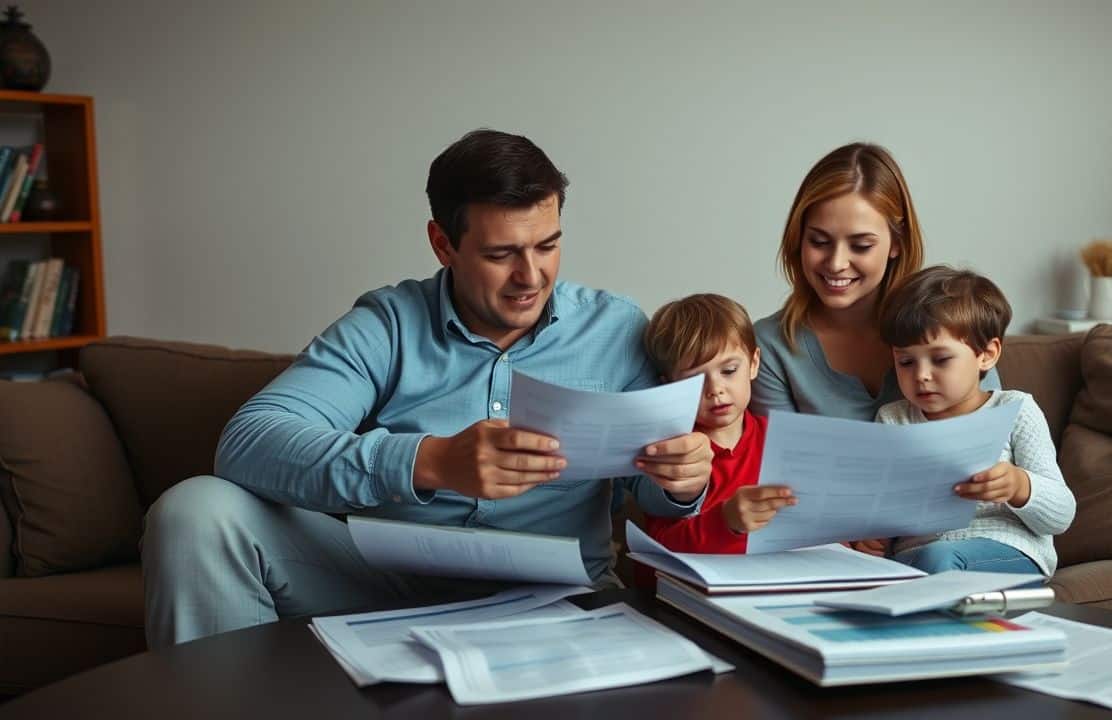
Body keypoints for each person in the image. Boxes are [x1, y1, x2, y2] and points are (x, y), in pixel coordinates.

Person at [141, 129, 713, 646]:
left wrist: (684, 480)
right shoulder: (387, 324)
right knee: (195, 510)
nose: (531, 276)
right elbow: (248, 442)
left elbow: (658, 496)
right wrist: (430, 462)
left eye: (547, 245)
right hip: (388, 585)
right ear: (443, 245)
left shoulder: (616, 329)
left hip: (559, 594)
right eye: (500, 254)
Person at [750, 142, 999, 422]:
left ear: (897, 242)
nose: (836, 263)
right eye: (819, 242)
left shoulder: (954, 321)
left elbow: (991, 435)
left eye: (861, 245)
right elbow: (778, 460)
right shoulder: (771, 347)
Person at [872, 266, 1076, 575]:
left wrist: (1019, 486)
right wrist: (871, 534)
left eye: (940, 359)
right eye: (906, 361)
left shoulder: (1016, 409)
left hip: (1005, 549)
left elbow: (1061, 516)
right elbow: (876, 507)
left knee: (938, 561)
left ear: (987, 354)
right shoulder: (893, 420)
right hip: (915, 557)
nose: (922, 375)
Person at [640, 294, 796, 556]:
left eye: (729, 371)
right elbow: (654, 557)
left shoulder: (781, 440)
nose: (716, 390)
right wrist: (726, 522)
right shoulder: (672, 454)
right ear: (669, 386)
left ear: (754, 364)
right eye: (695, 380)